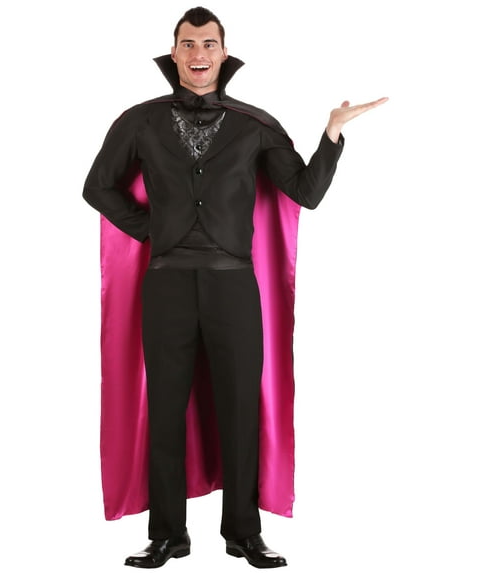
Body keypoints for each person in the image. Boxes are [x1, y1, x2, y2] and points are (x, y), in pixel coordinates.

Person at [83, 6, 387, 569]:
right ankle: (167, 535)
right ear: (174, 53)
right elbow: (97, 187)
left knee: (240, 408)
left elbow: (305, 192)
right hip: (167, 285)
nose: (199, 53)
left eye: (209, 43)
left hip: (235, 288)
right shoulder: (140, 121)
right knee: (166, 409)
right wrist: (152, 229)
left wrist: (332, 133)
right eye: (188, 43)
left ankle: (244, 533)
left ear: (223, 53)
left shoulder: (255, 124)